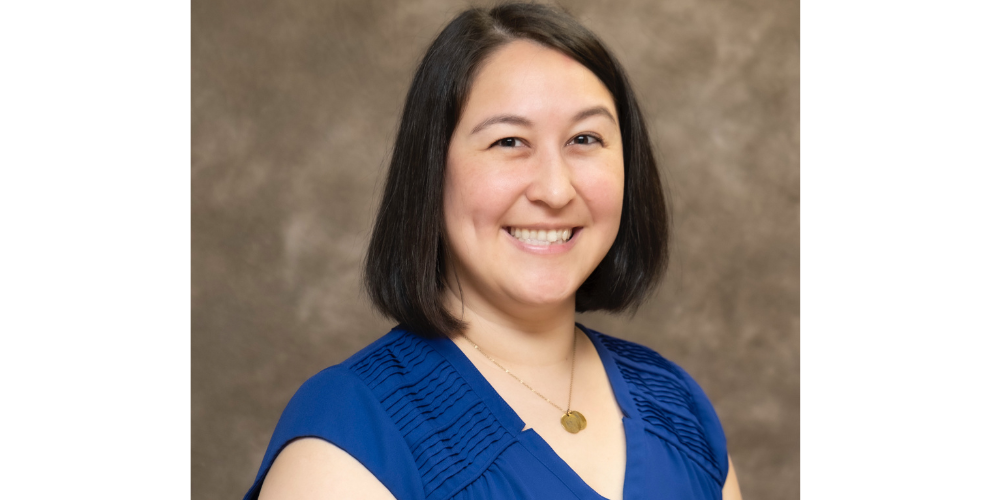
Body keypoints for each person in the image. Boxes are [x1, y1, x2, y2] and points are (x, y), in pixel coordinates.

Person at [245, 3, 742, 499]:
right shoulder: (350, 437)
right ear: (432, 173)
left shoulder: (678, 408)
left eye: (585, 139)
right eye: (509, 141)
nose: (554, 189)